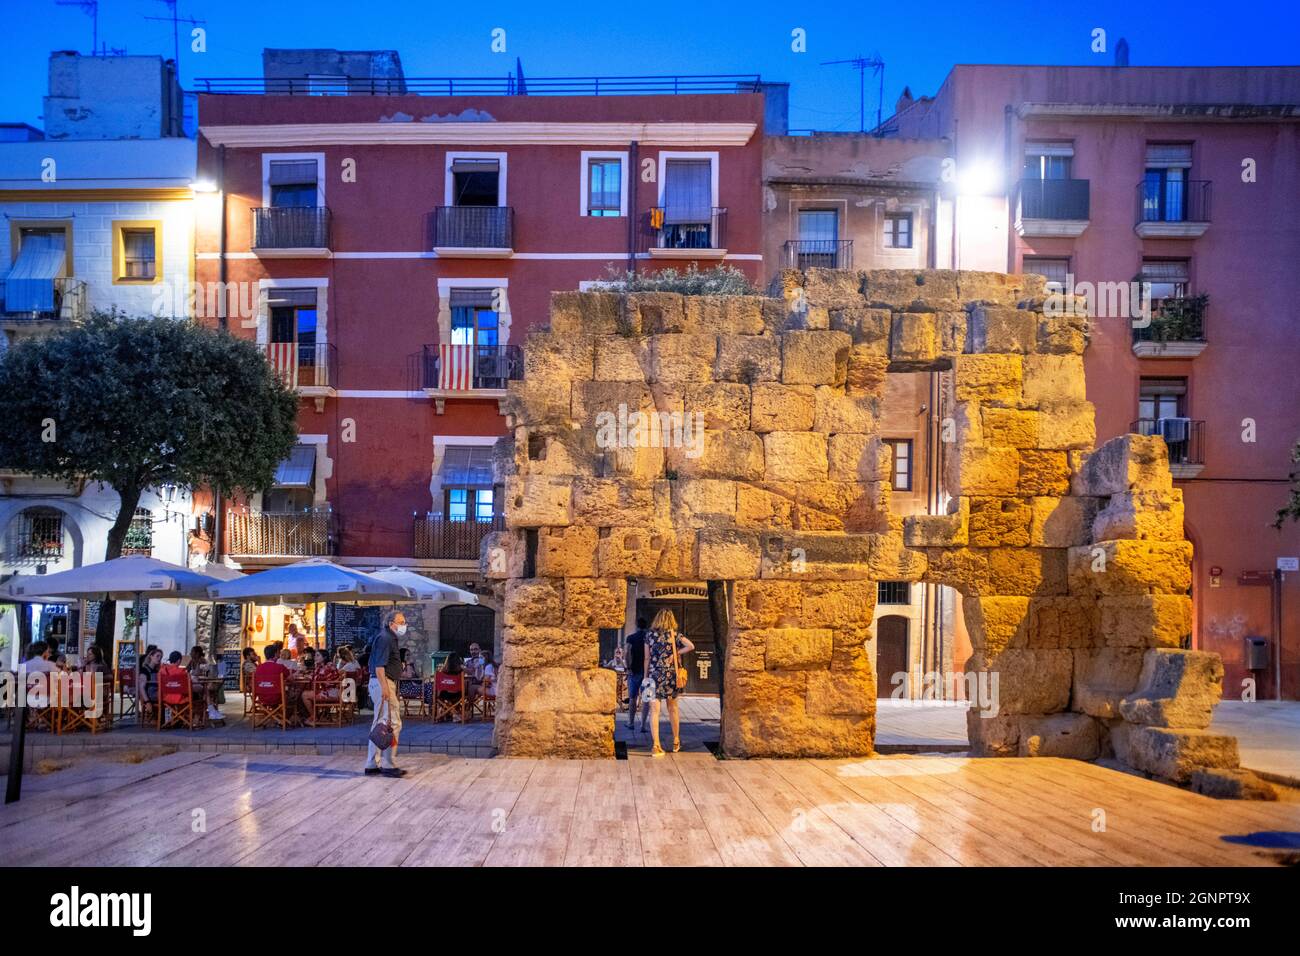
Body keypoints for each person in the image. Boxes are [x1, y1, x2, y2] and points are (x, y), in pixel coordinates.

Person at [644, 609, 694, 756]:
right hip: (670, 676)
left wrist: (645, 676)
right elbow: (691, 646)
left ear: (657, 619)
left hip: (653, 675)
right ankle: (676, 741)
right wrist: (675, 653)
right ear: (671, 620)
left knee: (654, 711)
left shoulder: (649, 636)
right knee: (673, 709)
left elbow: (646, 658)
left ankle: (656, 745)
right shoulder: (675, 635)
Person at [363, 610, 406, 777]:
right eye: (401, 622)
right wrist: (385, 689)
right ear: (391, 623)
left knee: (380, 723)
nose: (404, 625)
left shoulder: (387, 638)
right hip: (383, 682)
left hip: (383, 683)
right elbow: (379, 667)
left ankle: (372, 763)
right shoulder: (385, 638)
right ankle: (388, 763)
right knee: (392, 723)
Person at [624, 618, 650, 733]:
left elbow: (627, 653)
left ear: (636, 625)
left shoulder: (631, 638)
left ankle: (630, 723)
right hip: (647, 672)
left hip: (633, 671)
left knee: (632, 698)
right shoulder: (650, 637)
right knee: (646, 700)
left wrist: (628, 667)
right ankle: (643, 725)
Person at [186, 645, 223, 723]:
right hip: (195, 684)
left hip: (202, 683)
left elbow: (198, 672)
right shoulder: (192, 661)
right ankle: (210, 710)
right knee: (205, 691)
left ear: (197, 653)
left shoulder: (202, 661)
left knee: (205, 690)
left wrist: (192, 674)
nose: (190, 653)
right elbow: (187, 670)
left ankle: (204, 712)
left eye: (192, 652)